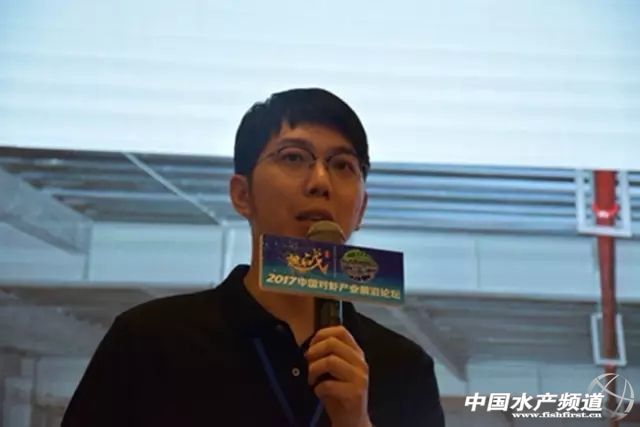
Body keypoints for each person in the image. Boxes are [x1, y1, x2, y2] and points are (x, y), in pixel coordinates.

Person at [62, 88, 445, 427]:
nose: (320, 182)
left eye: (343, 165)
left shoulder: (403, 367)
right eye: (294, 158)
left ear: (361, 209)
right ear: (242, 195)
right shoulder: (149, 340)